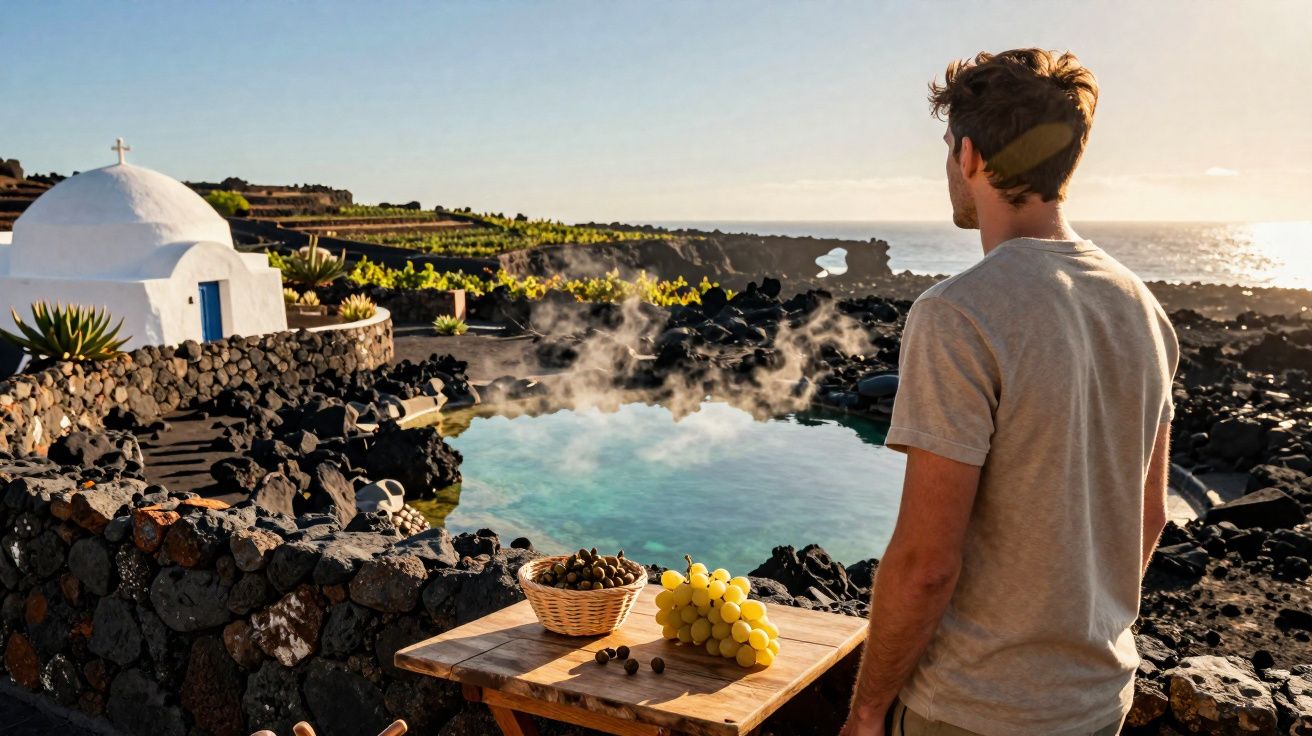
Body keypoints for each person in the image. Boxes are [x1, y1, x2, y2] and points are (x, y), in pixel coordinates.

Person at [841, 49, 1179, 736]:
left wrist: (868, 710)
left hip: (973, 710)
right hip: (1097, 701)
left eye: (947, 147)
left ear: (968, 155)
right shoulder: (1141, 308)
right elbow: (1149, 516)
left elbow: (926, 564)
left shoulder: (958, 313)